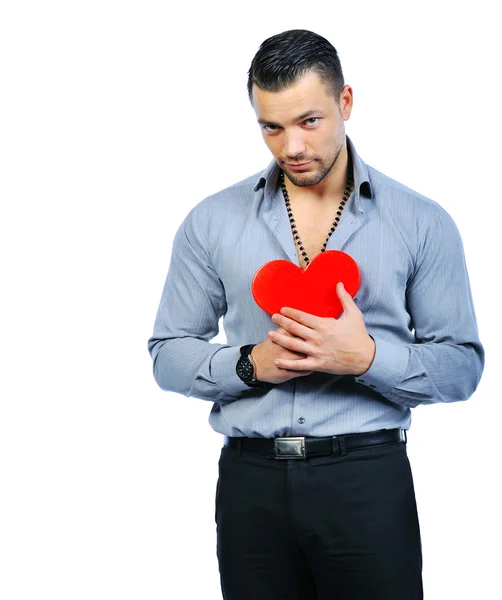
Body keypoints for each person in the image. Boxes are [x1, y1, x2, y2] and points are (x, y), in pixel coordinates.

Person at [148, 28, 484, 600]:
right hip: (250, 483)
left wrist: (367, 357)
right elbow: (167, 353)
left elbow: (462, 367)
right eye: (271, 127)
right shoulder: (211, 221)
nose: (291, 147)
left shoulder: (422, 222)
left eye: (309, 122)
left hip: (366, 480)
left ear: (345, 103)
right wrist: (251, 364)